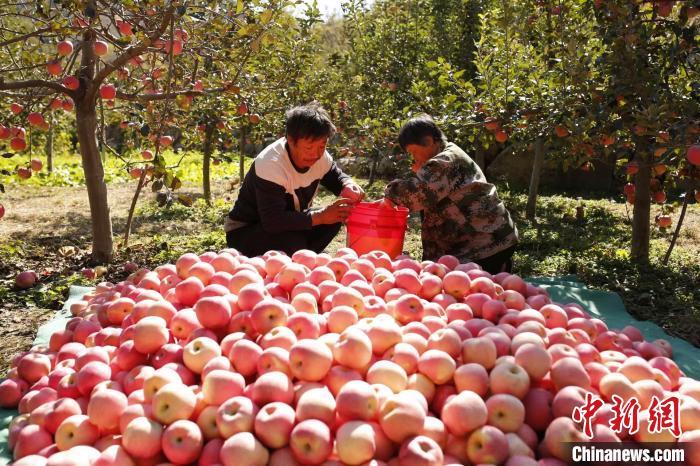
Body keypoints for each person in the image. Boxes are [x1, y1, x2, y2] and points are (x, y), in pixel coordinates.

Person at [381, 114, 519, 274]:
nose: (414, 158)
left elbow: (413, 194)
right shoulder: (448, 153)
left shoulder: (444, 161)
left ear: (429, 141)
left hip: (484, 246)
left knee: (476, 293)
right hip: (489, 240)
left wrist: (391, 192)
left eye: (414, 152)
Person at [225, 102, 365, 257]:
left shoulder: (320, 156)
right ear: (291, 141)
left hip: (286, 224)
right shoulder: (271, 164)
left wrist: (347, 184)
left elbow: (335, 176)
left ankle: (302, 255)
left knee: (336, 216)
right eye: (309, 148)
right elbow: (273, 221)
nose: (316, 154)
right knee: (292, 241)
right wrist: (320, 216)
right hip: (246, 230)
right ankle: (299, 254)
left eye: (322, 146)